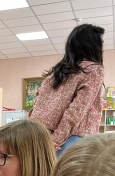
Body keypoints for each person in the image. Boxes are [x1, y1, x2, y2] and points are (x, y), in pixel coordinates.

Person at [30, 23, 105, 157]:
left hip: (39, 134)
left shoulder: (56, 72)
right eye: (101, 43)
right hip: (71, 137)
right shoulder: (93, 70)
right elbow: (76, 111)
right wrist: (55, 141)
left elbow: (36, 103)